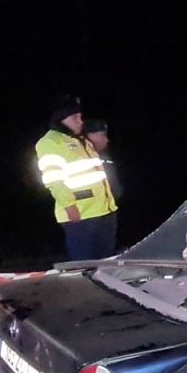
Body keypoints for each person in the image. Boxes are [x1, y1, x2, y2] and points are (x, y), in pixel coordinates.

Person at [35, 95, 119, 261]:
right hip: (82, 216)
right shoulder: (50, 142)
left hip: (105, 212)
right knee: (85, 265)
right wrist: (69, 206)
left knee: (106, 265)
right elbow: (54, 179)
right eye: (74, 117)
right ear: (61, 119)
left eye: (80, 116)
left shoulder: (81, 141)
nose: (80, 122)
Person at [82, 117, 123, 203]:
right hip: (91, 209)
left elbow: (116, 190)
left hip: (110, 206)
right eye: (102, 135)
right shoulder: (79, 160)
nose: (107, 140)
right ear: (90, 136)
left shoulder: (106, 157)